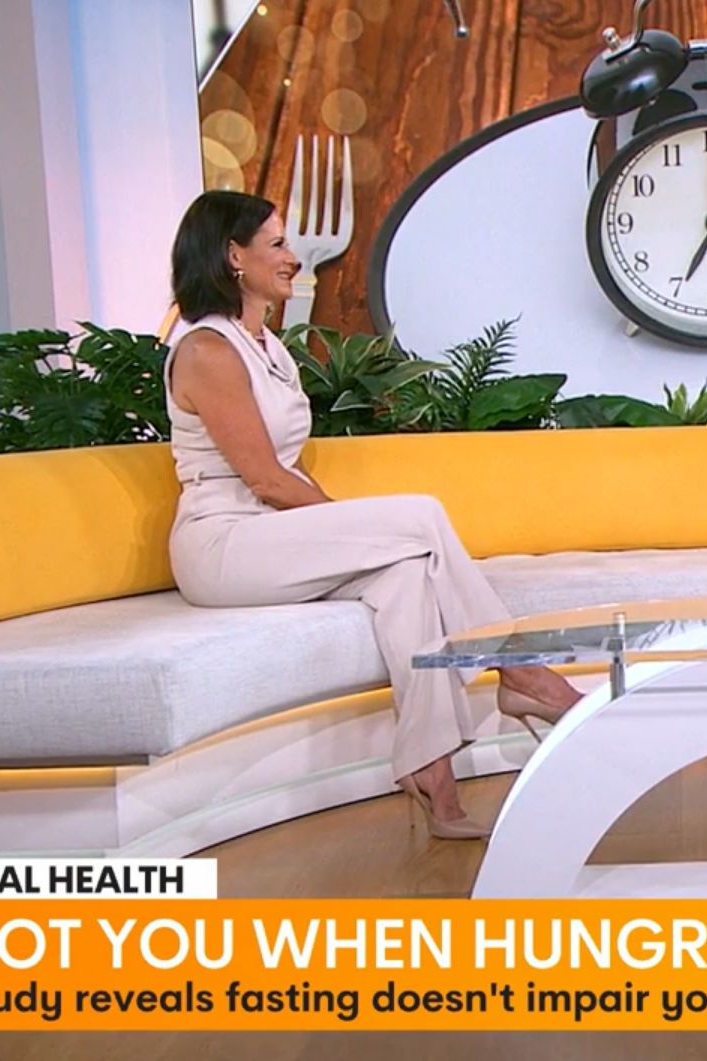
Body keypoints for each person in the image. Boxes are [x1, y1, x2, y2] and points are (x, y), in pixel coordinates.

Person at [161, 190, 583, 841]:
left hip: (270, 536)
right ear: (232, 256)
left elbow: (289, 466)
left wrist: (352, 535)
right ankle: (523, 672)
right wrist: (349, 529)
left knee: (407, 577)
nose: (293, 258)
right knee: (419, 517)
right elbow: (266, 478)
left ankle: (431, 771)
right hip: (223, 545)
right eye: (277, 244)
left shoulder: (266, 345)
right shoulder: (206, 351)